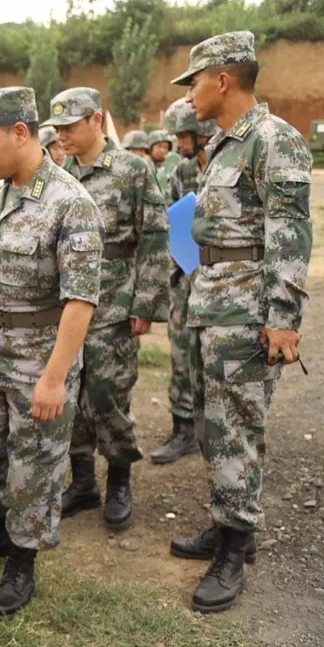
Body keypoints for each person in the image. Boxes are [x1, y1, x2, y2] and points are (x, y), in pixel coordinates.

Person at [168, 30, 311, 613]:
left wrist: (283, 319)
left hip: (250, 313)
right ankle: (226, 527)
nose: (189, 95)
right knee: (217, 426)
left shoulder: (273, 141)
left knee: (238, 430)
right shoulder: (227, 142)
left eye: (194, 82)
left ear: (222, 79)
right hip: (216, 305)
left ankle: (236, 545)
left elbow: (290, 234)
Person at [0, 87, 102, 615]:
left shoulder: (70, 202)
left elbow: (80, 301)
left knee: (33, 463)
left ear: (19, 133)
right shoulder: (1, 193)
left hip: (40, 354)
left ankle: (23, 556)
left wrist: (55, 377)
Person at [43, 87, 169, 531]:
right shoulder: (58, 173)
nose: (61, 136)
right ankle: (83, 481)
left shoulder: (132, 170)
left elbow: (154, 235)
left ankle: (119, 478)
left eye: (70, 127)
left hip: (114, 305)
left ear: (96, 121)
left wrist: (148, 303)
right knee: (70, 395)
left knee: (108, 395)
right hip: (67, 307)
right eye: (56, 128)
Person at [149, 98, 217, 465]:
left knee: (215, 359)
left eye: (183, 135)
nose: (178, 142)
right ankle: (183, 430)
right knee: (180, 355)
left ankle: (215, 432)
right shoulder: (182, 173)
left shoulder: (225, 166)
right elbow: (170, 219)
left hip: (222, 282)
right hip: (184, 276)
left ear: (202, 132)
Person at [148, 128, 181, 197]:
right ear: (150, 147)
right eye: (159, 146)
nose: (162, 151)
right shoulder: (145, 165)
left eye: (166, 147)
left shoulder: (171, 168)